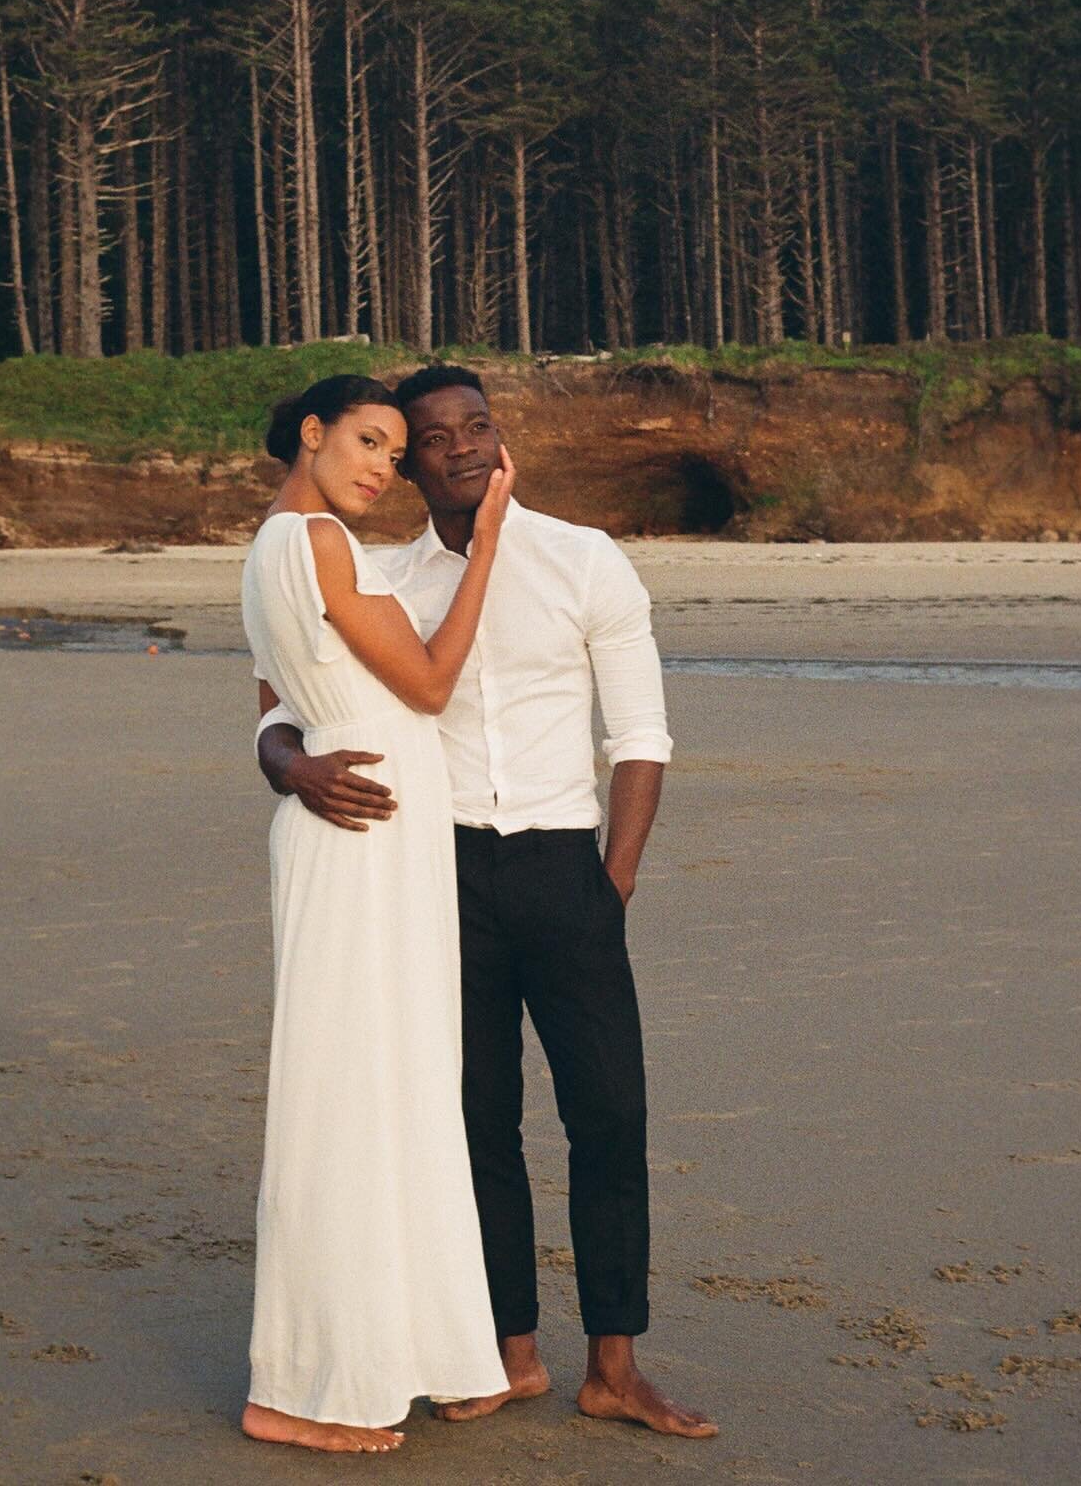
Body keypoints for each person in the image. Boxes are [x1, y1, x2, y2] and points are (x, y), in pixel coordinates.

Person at [257, 365, 719, 1441]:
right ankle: (508, 1352)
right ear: (406, 460)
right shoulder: (382, 573)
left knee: (612, 1113)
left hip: (569, 866)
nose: (461, 445)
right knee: (474, 1123)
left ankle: (614, 1364)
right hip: (436, 873)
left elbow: (639, 734)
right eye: (432, 435)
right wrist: (289, 769)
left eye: (478, 425)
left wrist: (614, 877)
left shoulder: (584, 558)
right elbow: (280, 705)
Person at [238, 372, 515, 1456]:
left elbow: (277, 713)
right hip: (357, 851)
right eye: (366, 440)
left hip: (367, 843)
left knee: (387, 1093)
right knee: (347, 1101)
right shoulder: (316, 545)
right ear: (311, 433)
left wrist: (291, 761)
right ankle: (298, 1391)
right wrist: (486, 541)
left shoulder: (271, 547)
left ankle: (402, 1355)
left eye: (393, 457)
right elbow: (433, 684)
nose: (380, 469)